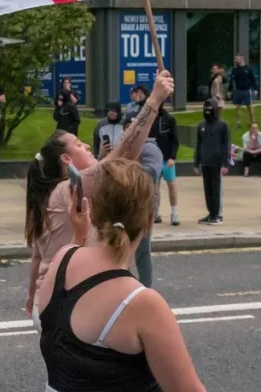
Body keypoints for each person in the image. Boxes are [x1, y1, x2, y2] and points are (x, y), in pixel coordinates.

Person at [36, 159, 205, 392]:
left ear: (91, 209)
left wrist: (79, 234)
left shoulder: (62, 261)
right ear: (148, 223)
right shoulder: (141, 303)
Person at [24, 69, 174, 327]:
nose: (86, 146)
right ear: (66, 160)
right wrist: (154, 101)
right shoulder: (67, 190)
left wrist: (31, 297)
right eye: (79, 144)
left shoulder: (48, 199)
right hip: (66, 306)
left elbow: (38, 259)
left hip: (50, 304)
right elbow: (123, 154)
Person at [122, 112, 162, 287]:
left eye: (133, 129)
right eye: (128, 129)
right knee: (122, 248)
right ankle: (124, 285)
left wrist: (125, 170)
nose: (130, 133)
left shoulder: (149, 148)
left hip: (143, 205)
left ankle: (145, 288)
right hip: (124, 203)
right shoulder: (122, 149)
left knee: (141, 250)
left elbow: (152, 172)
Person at [194, 99, 230, 225]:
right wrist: (196, 163)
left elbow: (226, 145)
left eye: (210, 107)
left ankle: (217, 215)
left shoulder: (222, 126)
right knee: (207, 190)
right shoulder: (201, 126)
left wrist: (225, 163)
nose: (207, 110)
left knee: (216, 189)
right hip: (205, 163)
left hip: (217, 163)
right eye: (205, 107)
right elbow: (198, 145)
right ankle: (211, 213)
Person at [151, 102, 180, 225]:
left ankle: (174, 212)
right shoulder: (149, 119)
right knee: (154, 187)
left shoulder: (169, 119)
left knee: (171, 184)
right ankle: (156, 212)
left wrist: (172, 157)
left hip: (167, 159)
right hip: (154, 159)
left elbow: (175, 140)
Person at [230, 54, 257, 128]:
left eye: (237, 58)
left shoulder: (248, 68)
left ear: (242, 59)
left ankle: (252, 122)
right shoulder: (235, 69)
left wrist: (255, 89)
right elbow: (232, 80)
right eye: (235, 59)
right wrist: (230, 90)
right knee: (238, 107)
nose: (236, 60)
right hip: (238, 90)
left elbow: (252, 79)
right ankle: (238, 123)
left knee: (250, 107)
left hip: (246, 90)